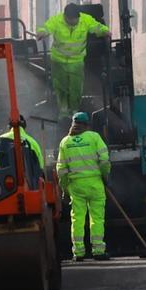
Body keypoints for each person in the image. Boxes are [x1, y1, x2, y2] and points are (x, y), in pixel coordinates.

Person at [36, 3, 110, 115]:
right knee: (60, 88)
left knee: (76, 88)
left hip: (76, 61)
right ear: (65, 16)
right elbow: (46, 27)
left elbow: (96, 27)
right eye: (71, 20)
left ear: (78, 16)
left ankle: (74, 112)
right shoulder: (56, 20)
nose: (73, 22)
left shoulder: (85, 19)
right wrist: (41, 33)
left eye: (75, 19)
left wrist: (105, 31)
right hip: (58, 61)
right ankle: (64, 113)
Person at [56, 111, 110, 261]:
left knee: (77, 219)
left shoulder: (65, 142)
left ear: (73, 124)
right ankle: (98, 251)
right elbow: (104, 160)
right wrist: (105, 177)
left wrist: (65, 188)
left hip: (76, 187)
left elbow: (61, 170)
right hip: (95, 184)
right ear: (87, 125)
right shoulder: (94, 137)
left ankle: (78, 253)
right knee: (97, 218)